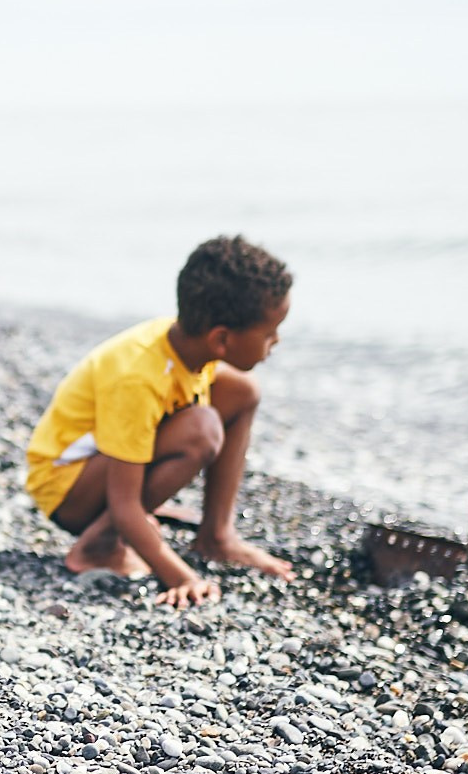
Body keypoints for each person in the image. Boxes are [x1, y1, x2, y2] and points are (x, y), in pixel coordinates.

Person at [25, 235, 296, 607]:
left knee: (242, 390)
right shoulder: (139, 376)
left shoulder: (189, 345)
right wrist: (180, 576)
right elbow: (124, 504)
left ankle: (216, 536)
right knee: (202, 430)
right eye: (269, 333)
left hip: (100, 471)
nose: (276, 341)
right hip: (66, 488)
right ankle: (98, 546)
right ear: (221, 340)